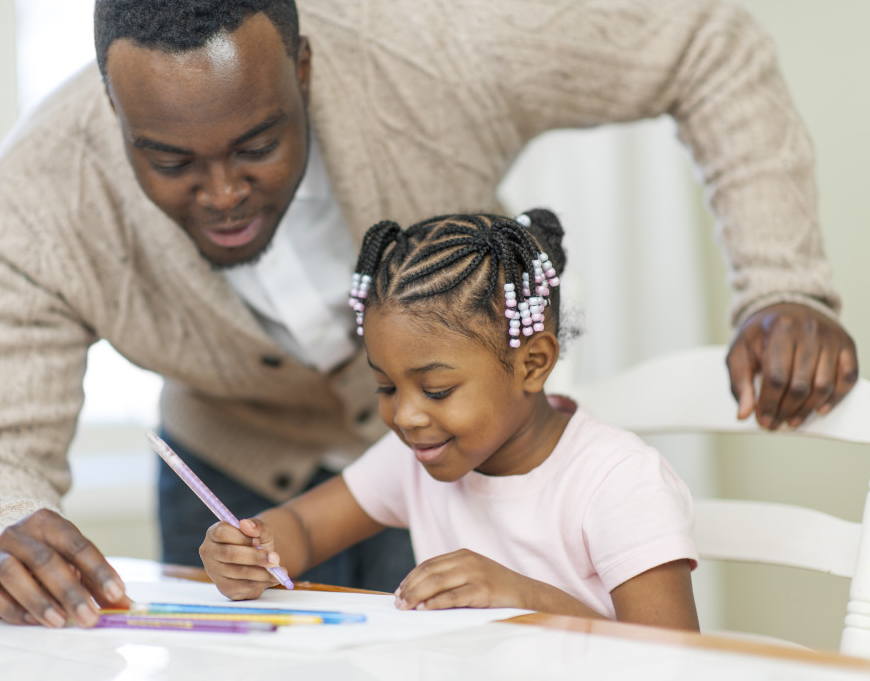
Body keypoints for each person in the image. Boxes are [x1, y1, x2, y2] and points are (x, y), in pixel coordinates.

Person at [0, 0, 855, 630]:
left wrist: (781, 283)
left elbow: (706, 38)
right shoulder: (37, 203)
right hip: (236, 467)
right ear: (112, 112)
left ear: (305, 68)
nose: (225, 192)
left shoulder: (438, 51)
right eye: (170, 162)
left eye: (258, 142)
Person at [201, 210, 700, 629]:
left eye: (437, 390)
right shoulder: (417, 458)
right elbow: (303, 532)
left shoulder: (618, 482)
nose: (406, 415)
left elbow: (674, 662)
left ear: (533, 363)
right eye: (386, 387)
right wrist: (251, 553)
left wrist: (522, 598)